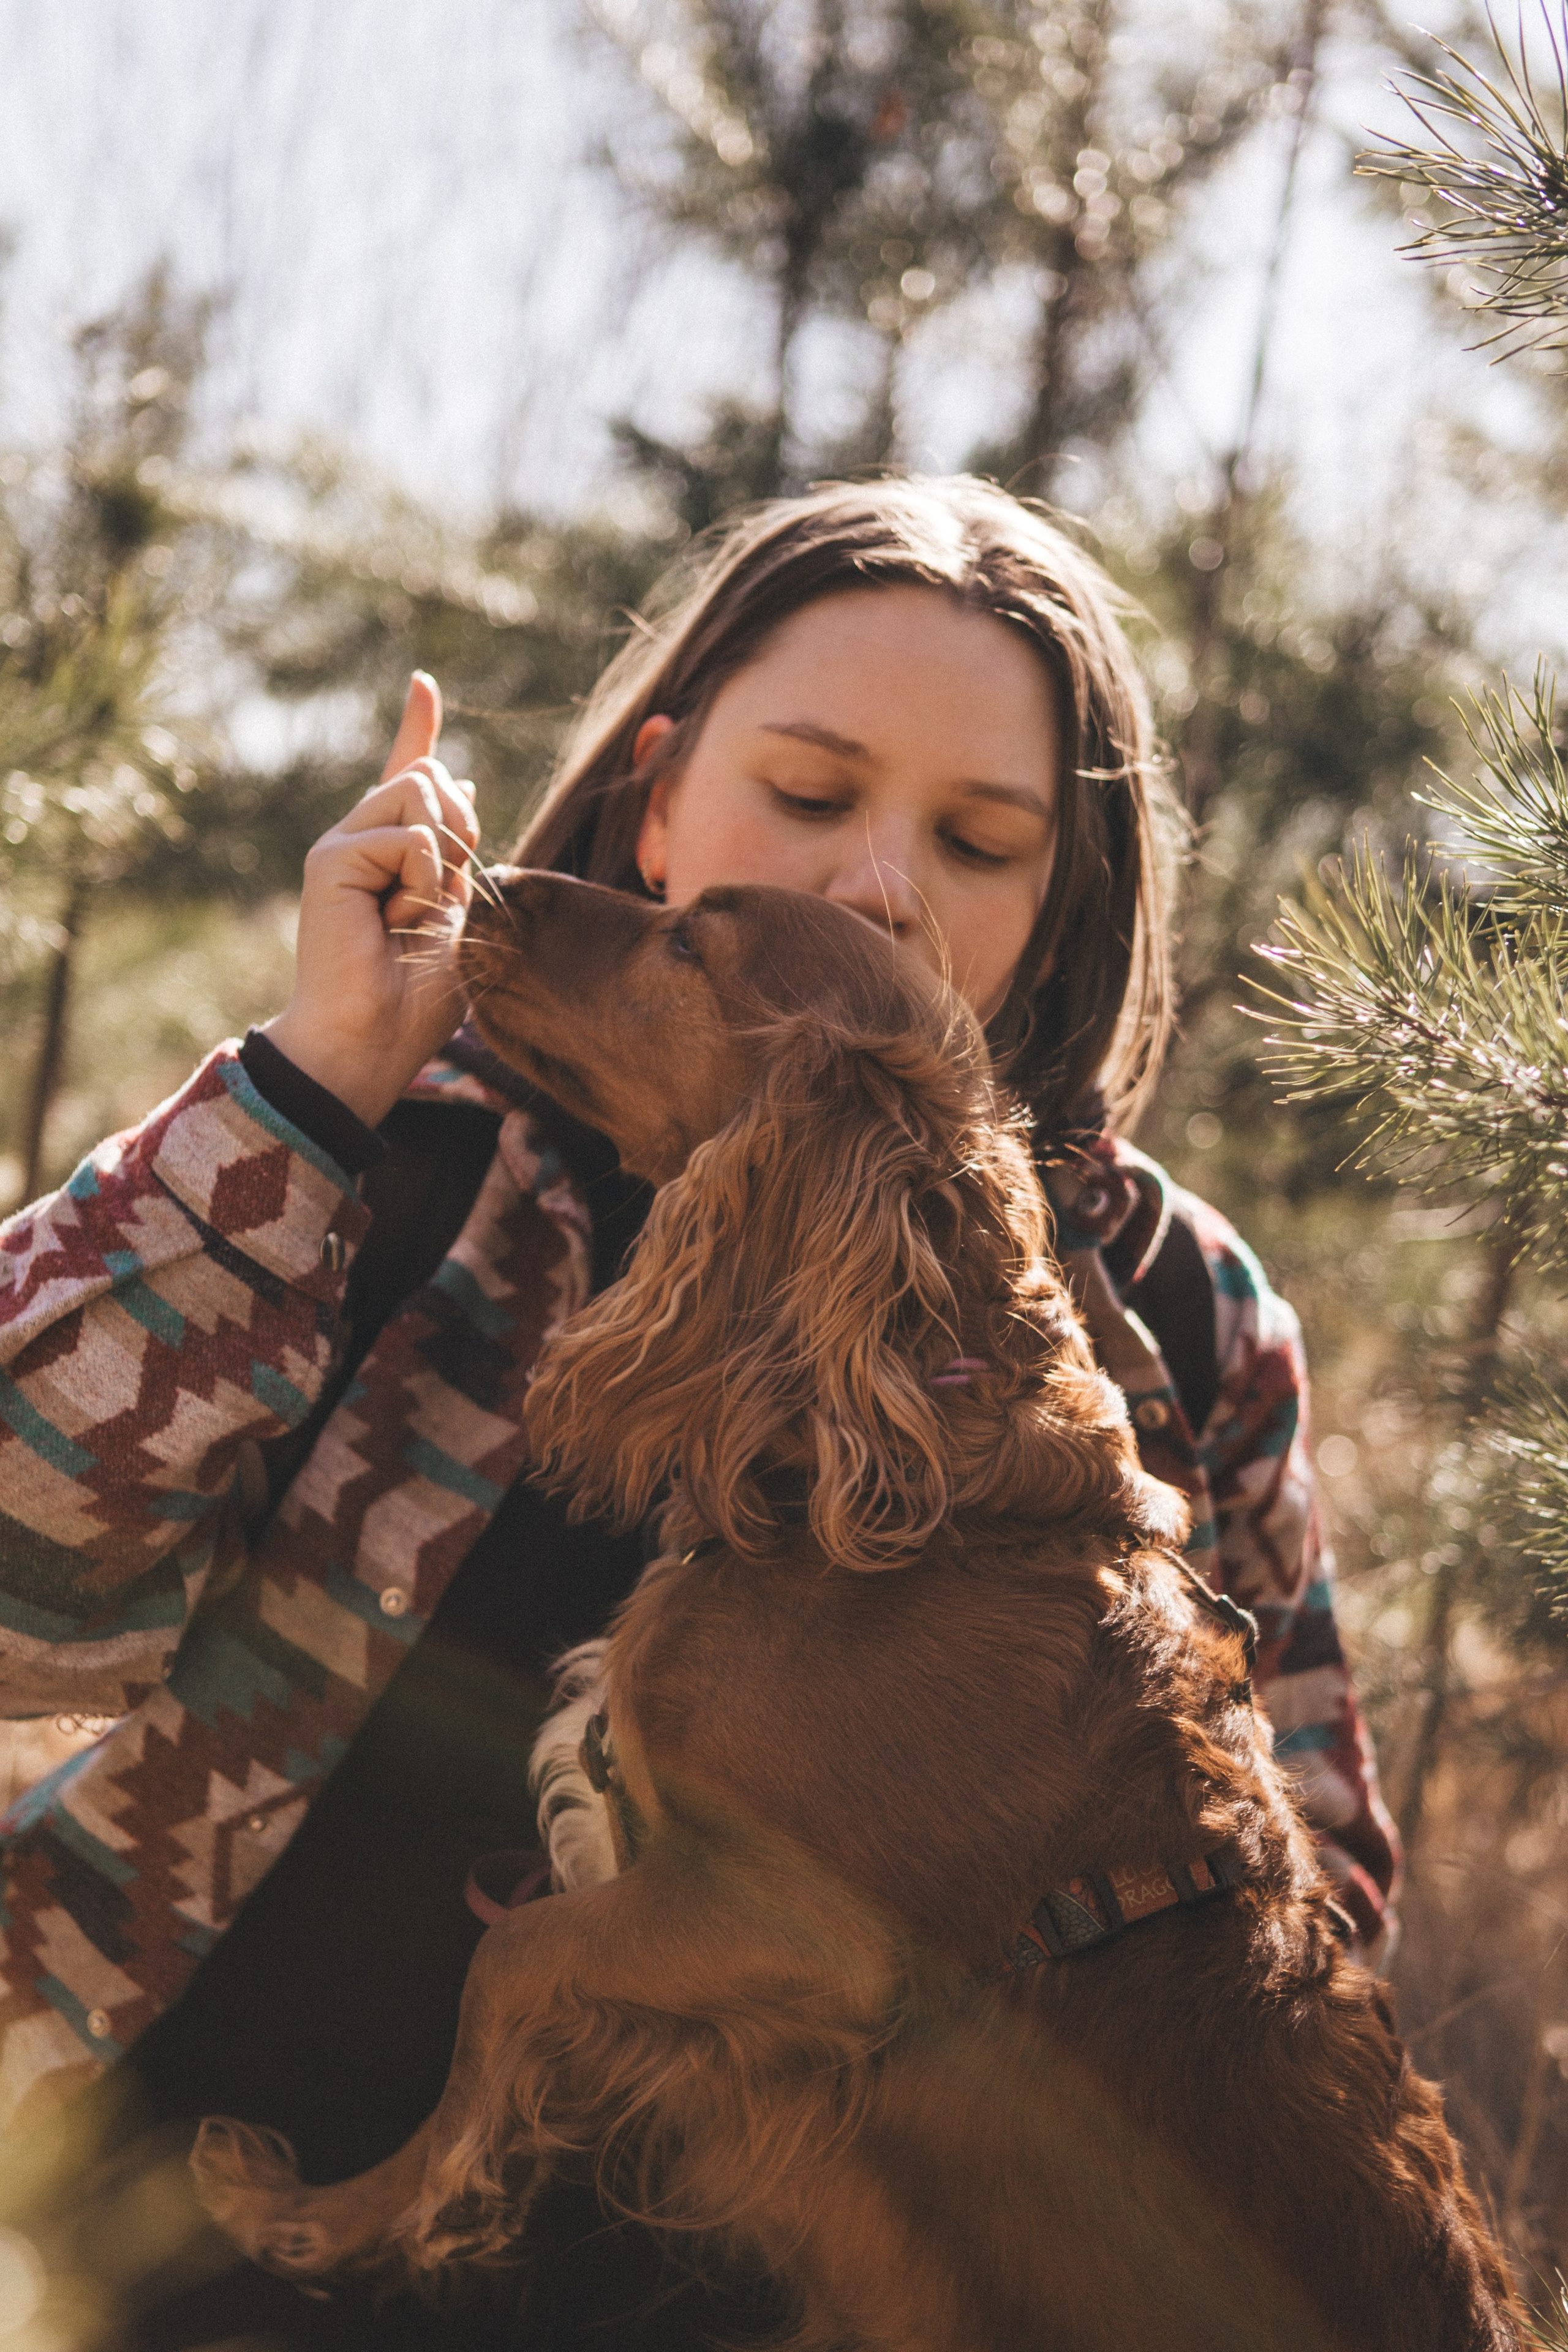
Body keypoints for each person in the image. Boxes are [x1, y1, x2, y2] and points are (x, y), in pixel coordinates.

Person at [0, 477, 1396, 2348]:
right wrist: (305, 1095)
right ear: (658, 803)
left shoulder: (1163, 1315)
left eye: (980, 841)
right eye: (811, 797)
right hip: (173, 2255)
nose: (882, 881)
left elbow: (1303, 1911)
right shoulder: (394, 1155)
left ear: (1059, 914)